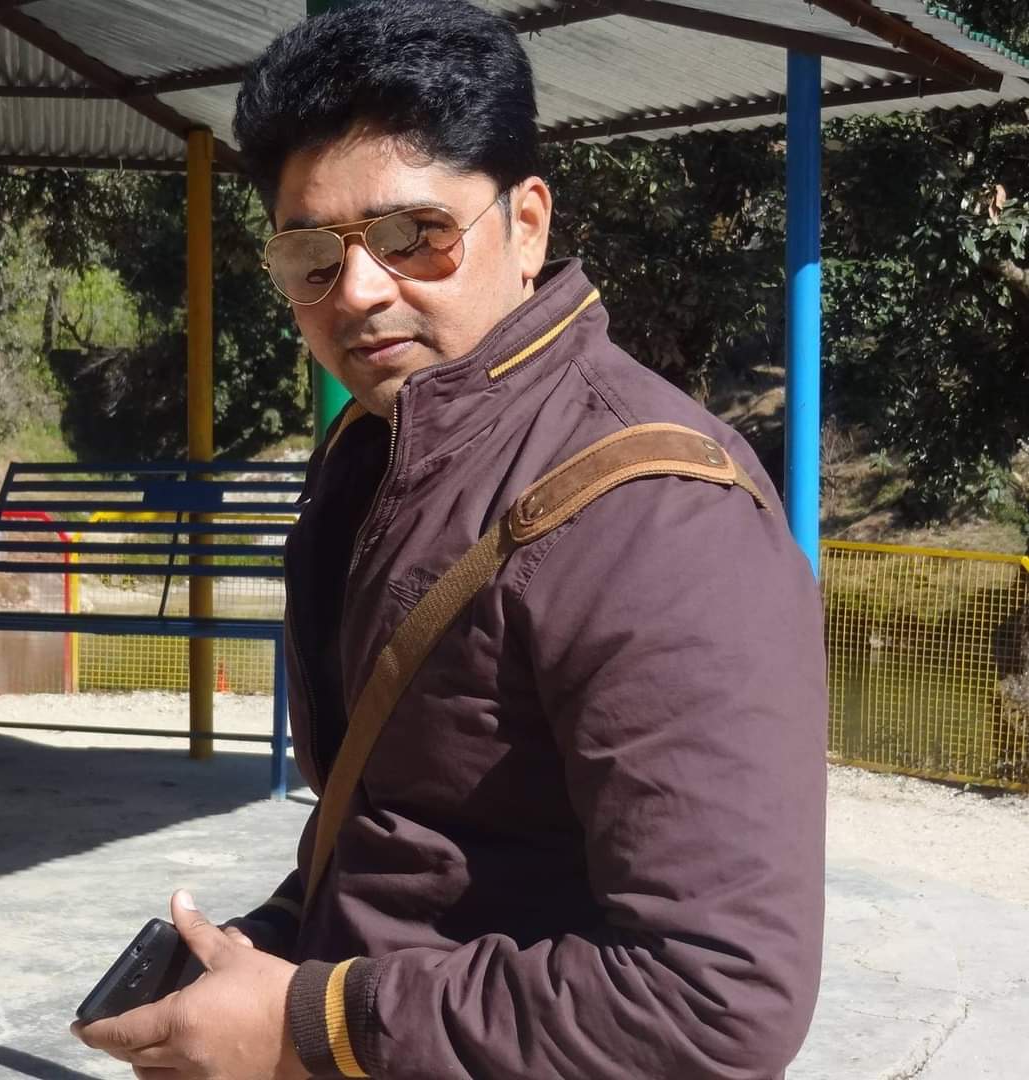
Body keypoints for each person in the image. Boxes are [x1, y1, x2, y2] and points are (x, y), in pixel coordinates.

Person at [72, 1, 827, 1077]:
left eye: (412, 235)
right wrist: (272, 952)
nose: (359, 291)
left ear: (528, 224)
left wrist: (305, 1024)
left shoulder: (661, 519)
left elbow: (714, 1001)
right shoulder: (381, 451)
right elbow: (406, 829)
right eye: (311, 255)